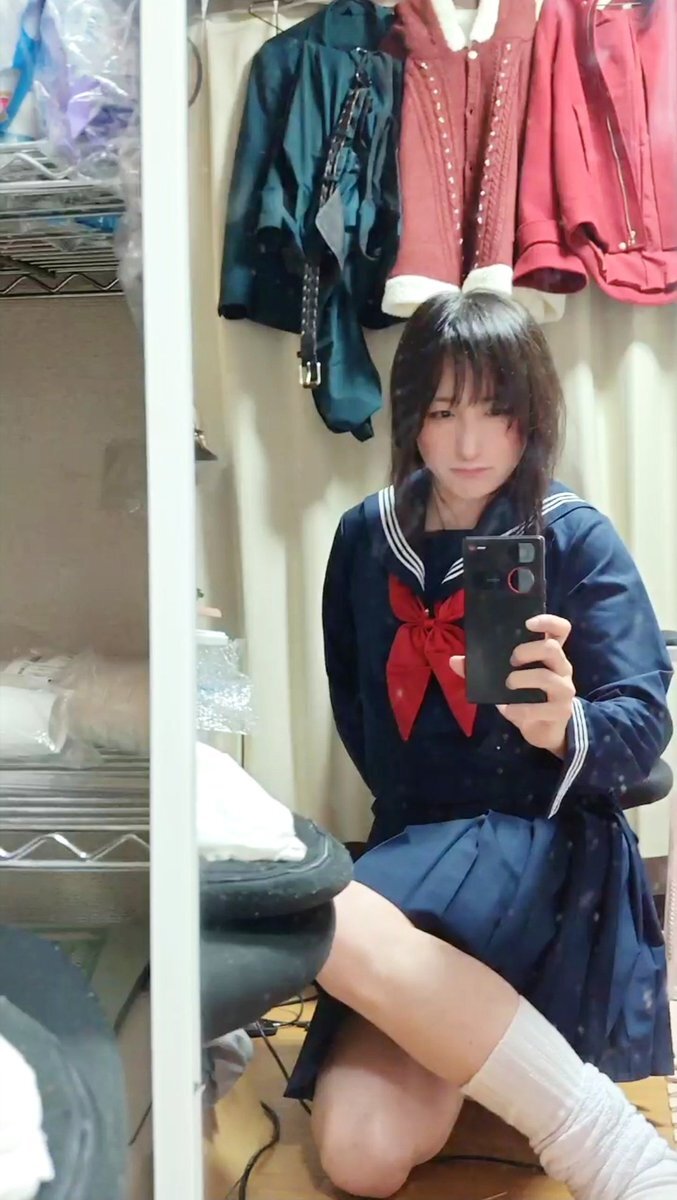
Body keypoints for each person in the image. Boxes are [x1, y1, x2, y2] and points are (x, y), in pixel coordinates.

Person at [285, 293, 677, 1199]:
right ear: (409, 416)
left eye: (497, 411)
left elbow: (644, 720)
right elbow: (355, 704)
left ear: (530, 417)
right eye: (442, 411)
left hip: (541, 844)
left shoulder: (570, 535)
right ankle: (488, 1038)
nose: (469, 443)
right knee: (362, 1159)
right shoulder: (365, 537)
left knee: (318, 913)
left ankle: (598, 1136)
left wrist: (561, 726)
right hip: (419, 848)